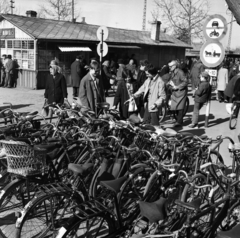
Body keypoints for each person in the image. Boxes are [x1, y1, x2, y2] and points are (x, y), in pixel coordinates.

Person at [168, 60, 188, 127]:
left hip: (181, 92)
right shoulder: (172, 72)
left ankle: (179, 122)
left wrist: (177, 87)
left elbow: (185, 82)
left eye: (170, 66)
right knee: (174, 106)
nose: (169, 67)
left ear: (175, 66)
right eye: (169, 66)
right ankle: (177, 119)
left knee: (180, 108)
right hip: (175, 92)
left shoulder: (180, 72)